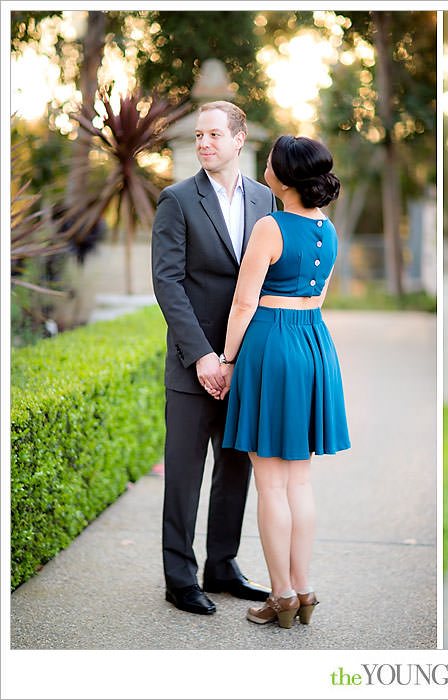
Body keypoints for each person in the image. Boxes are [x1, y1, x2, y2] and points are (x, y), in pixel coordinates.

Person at [213, 134, 350, 629]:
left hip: (271, 344)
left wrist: (227, 360)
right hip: (314, 343)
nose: (265, 166)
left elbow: (244, 303)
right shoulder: (327, 230)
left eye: (270, 161)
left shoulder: (271, 226)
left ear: (283, 176)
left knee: (270, 483)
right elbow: (319, 295)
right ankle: (303, 587)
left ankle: (282, 595)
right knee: (299, 480)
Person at [152, 100, 275, 615]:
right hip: (193, 364)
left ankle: (221, 565)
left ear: (239, 139)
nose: (204, 143)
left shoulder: (267, 200)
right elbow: (168, 282)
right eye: (199, 136)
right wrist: (203, 355)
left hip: (244, 360)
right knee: (183, 473)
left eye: (213, 135)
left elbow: (269, 277)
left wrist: (239, 355)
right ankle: (179, 578)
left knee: (234, 469)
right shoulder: (177, 200)